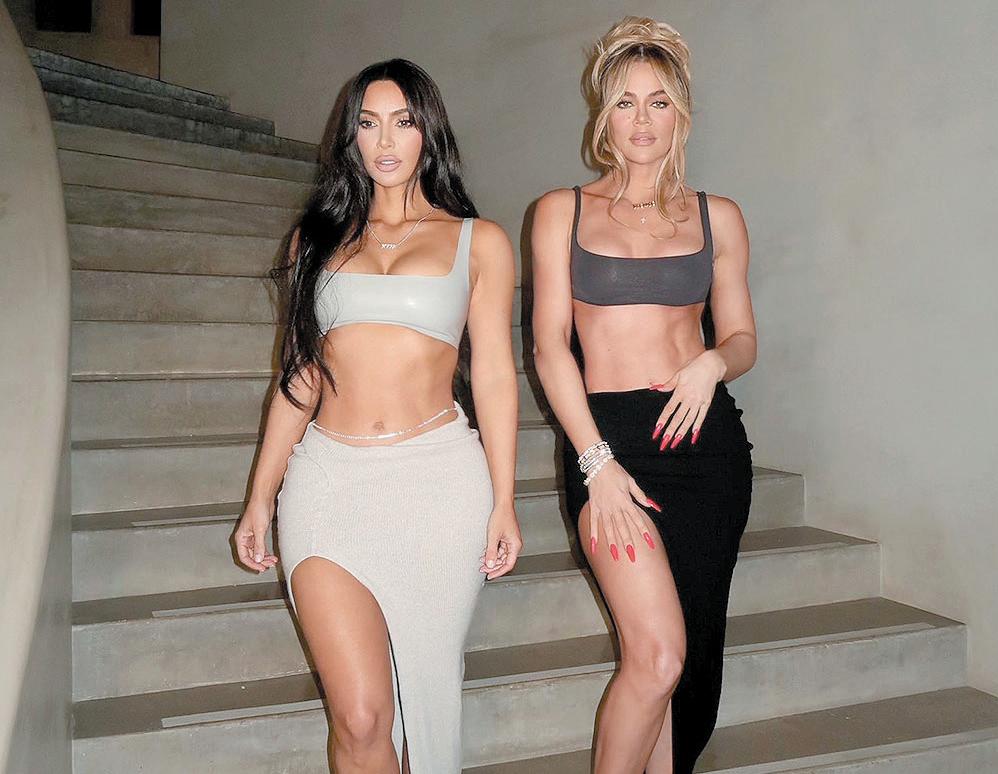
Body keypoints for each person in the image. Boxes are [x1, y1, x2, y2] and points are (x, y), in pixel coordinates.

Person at [233, 59, 521, 773]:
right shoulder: (314, 240)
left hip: (438, 483)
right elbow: (299, 375)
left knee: (424, 695)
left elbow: (493, 375)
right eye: (368, 123)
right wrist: (261, 495)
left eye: (403, 122)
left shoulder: (479, 241)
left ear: (429, 132)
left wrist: (504, 500)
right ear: (350, 135)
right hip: (328, 482)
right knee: (360, 716)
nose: (385, 141)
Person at [531, 17, 756, 773]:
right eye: (625, 102)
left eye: (658, 102)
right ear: (603, 114)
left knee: (690, 668)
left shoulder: (717, 217)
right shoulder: (560, 211)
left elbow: (743, 337)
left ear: (680, 113)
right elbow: (548, 348)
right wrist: (594, 461)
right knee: (656, 656)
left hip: (705, 444)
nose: (641, 119)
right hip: (608, 444)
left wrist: (713, 364)